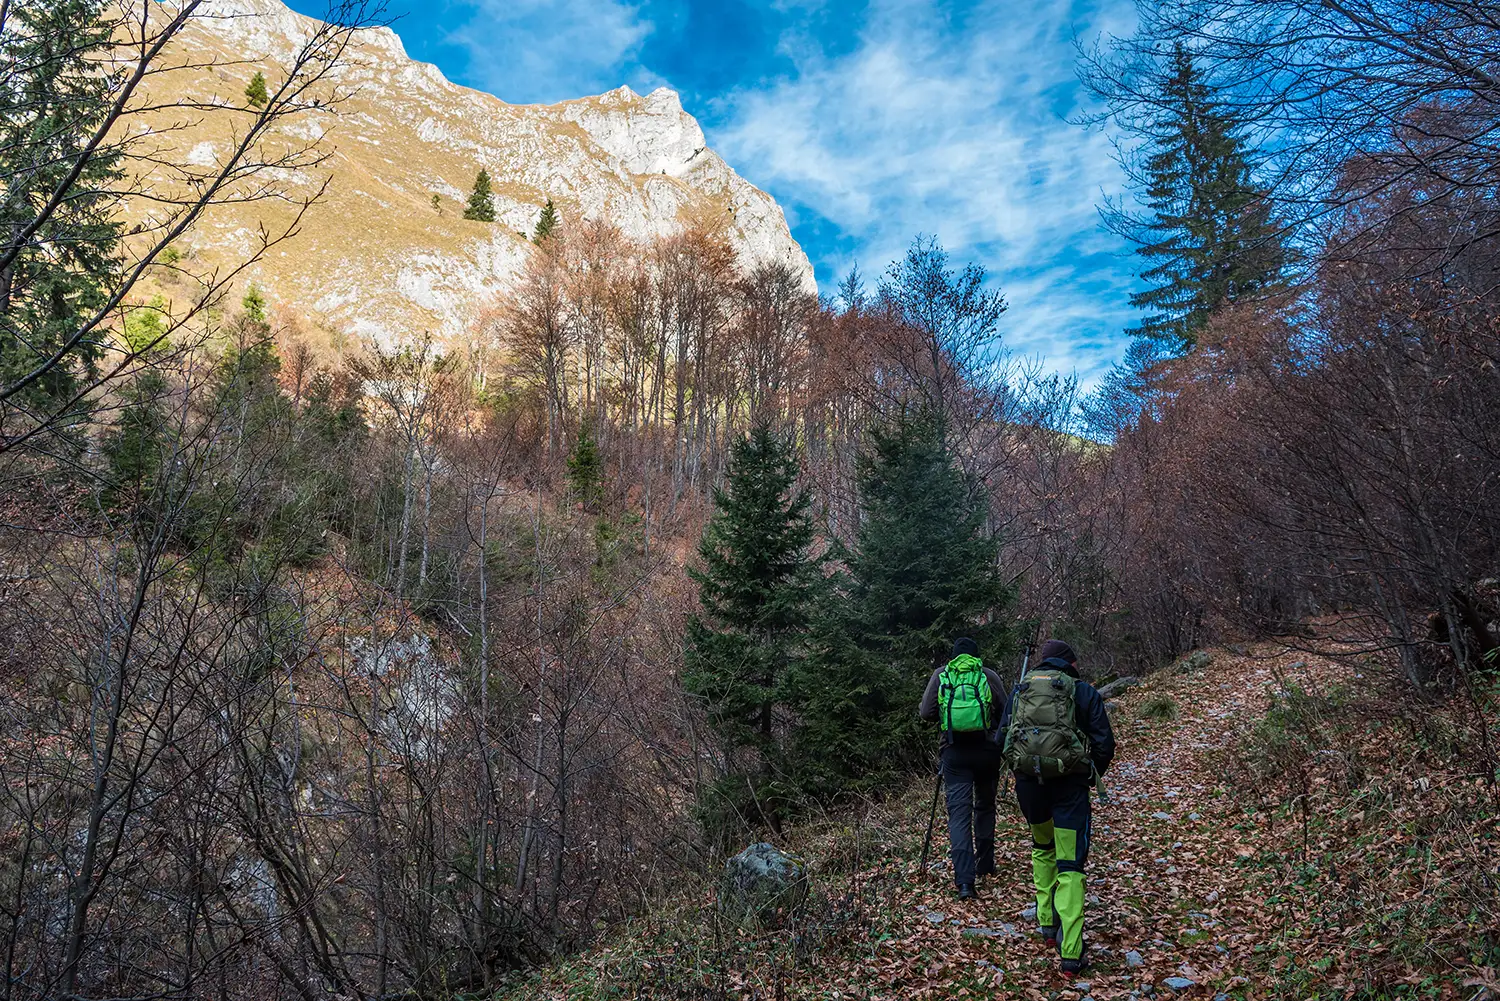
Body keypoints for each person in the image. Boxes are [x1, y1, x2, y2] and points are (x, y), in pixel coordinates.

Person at [1000, 638, 1115, 973]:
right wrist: (1089, 775)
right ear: (1069, 663)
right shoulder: (1082, 692)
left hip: (1029, 788)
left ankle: (1047, 926)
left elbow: (1001, 738)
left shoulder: (1021, 690)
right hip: (1069, 789)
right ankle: (1071, 952)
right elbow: (1105, 743)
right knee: (1070, 864)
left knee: (1042, 848)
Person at [918, 637, 1006, 900]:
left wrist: (948, 718)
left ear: (954, 656)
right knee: (985, 806)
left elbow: (926, 713)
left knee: (958, 815)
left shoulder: (942, 675)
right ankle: (985, 864)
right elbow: (1006, 711)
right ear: (976, 656)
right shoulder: (988, 675)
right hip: (987, 751)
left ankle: (965, 882)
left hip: (954, 752)